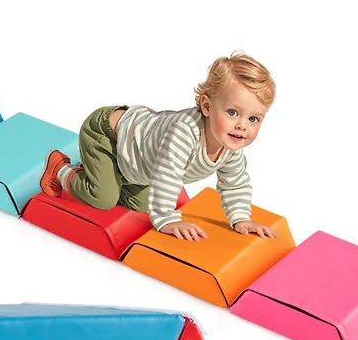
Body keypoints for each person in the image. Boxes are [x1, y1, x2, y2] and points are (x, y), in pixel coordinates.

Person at [40, 51, 279, 242]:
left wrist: (240, 218)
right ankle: (60, 168)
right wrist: (166, 219)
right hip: (107, 135)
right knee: (103, 198)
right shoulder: (184, 133)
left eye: (253, 119)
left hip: (135, 160)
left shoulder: (231, 147)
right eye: (232, 112)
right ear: (207, 106)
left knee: (142, 205)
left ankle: (102, 173)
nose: (242, 126)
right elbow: (167, 175)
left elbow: (234, 183)